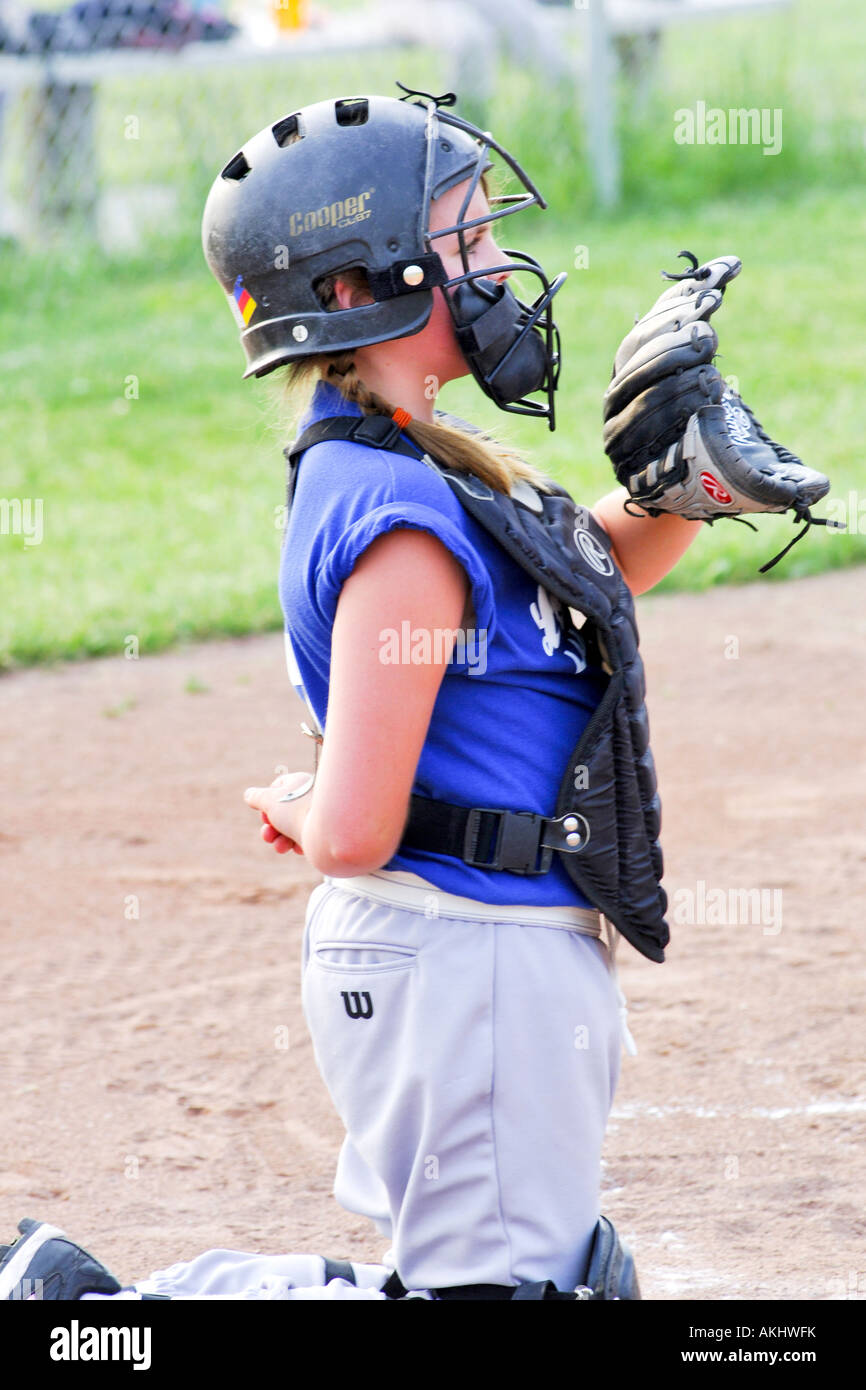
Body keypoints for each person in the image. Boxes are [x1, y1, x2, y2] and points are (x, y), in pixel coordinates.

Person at [1, 85, 719, 1303]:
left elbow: (571, 590)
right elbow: (353, 832)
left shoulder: (413, 466)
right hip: (463, 956)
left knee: (482, 1284)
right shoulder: (402, 523)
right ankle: (98, 1319)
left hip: (476, 954)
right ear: (352, 289)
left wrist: (684, 489)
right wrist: (310, 792)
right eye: (466, 240)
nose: (497, 266)